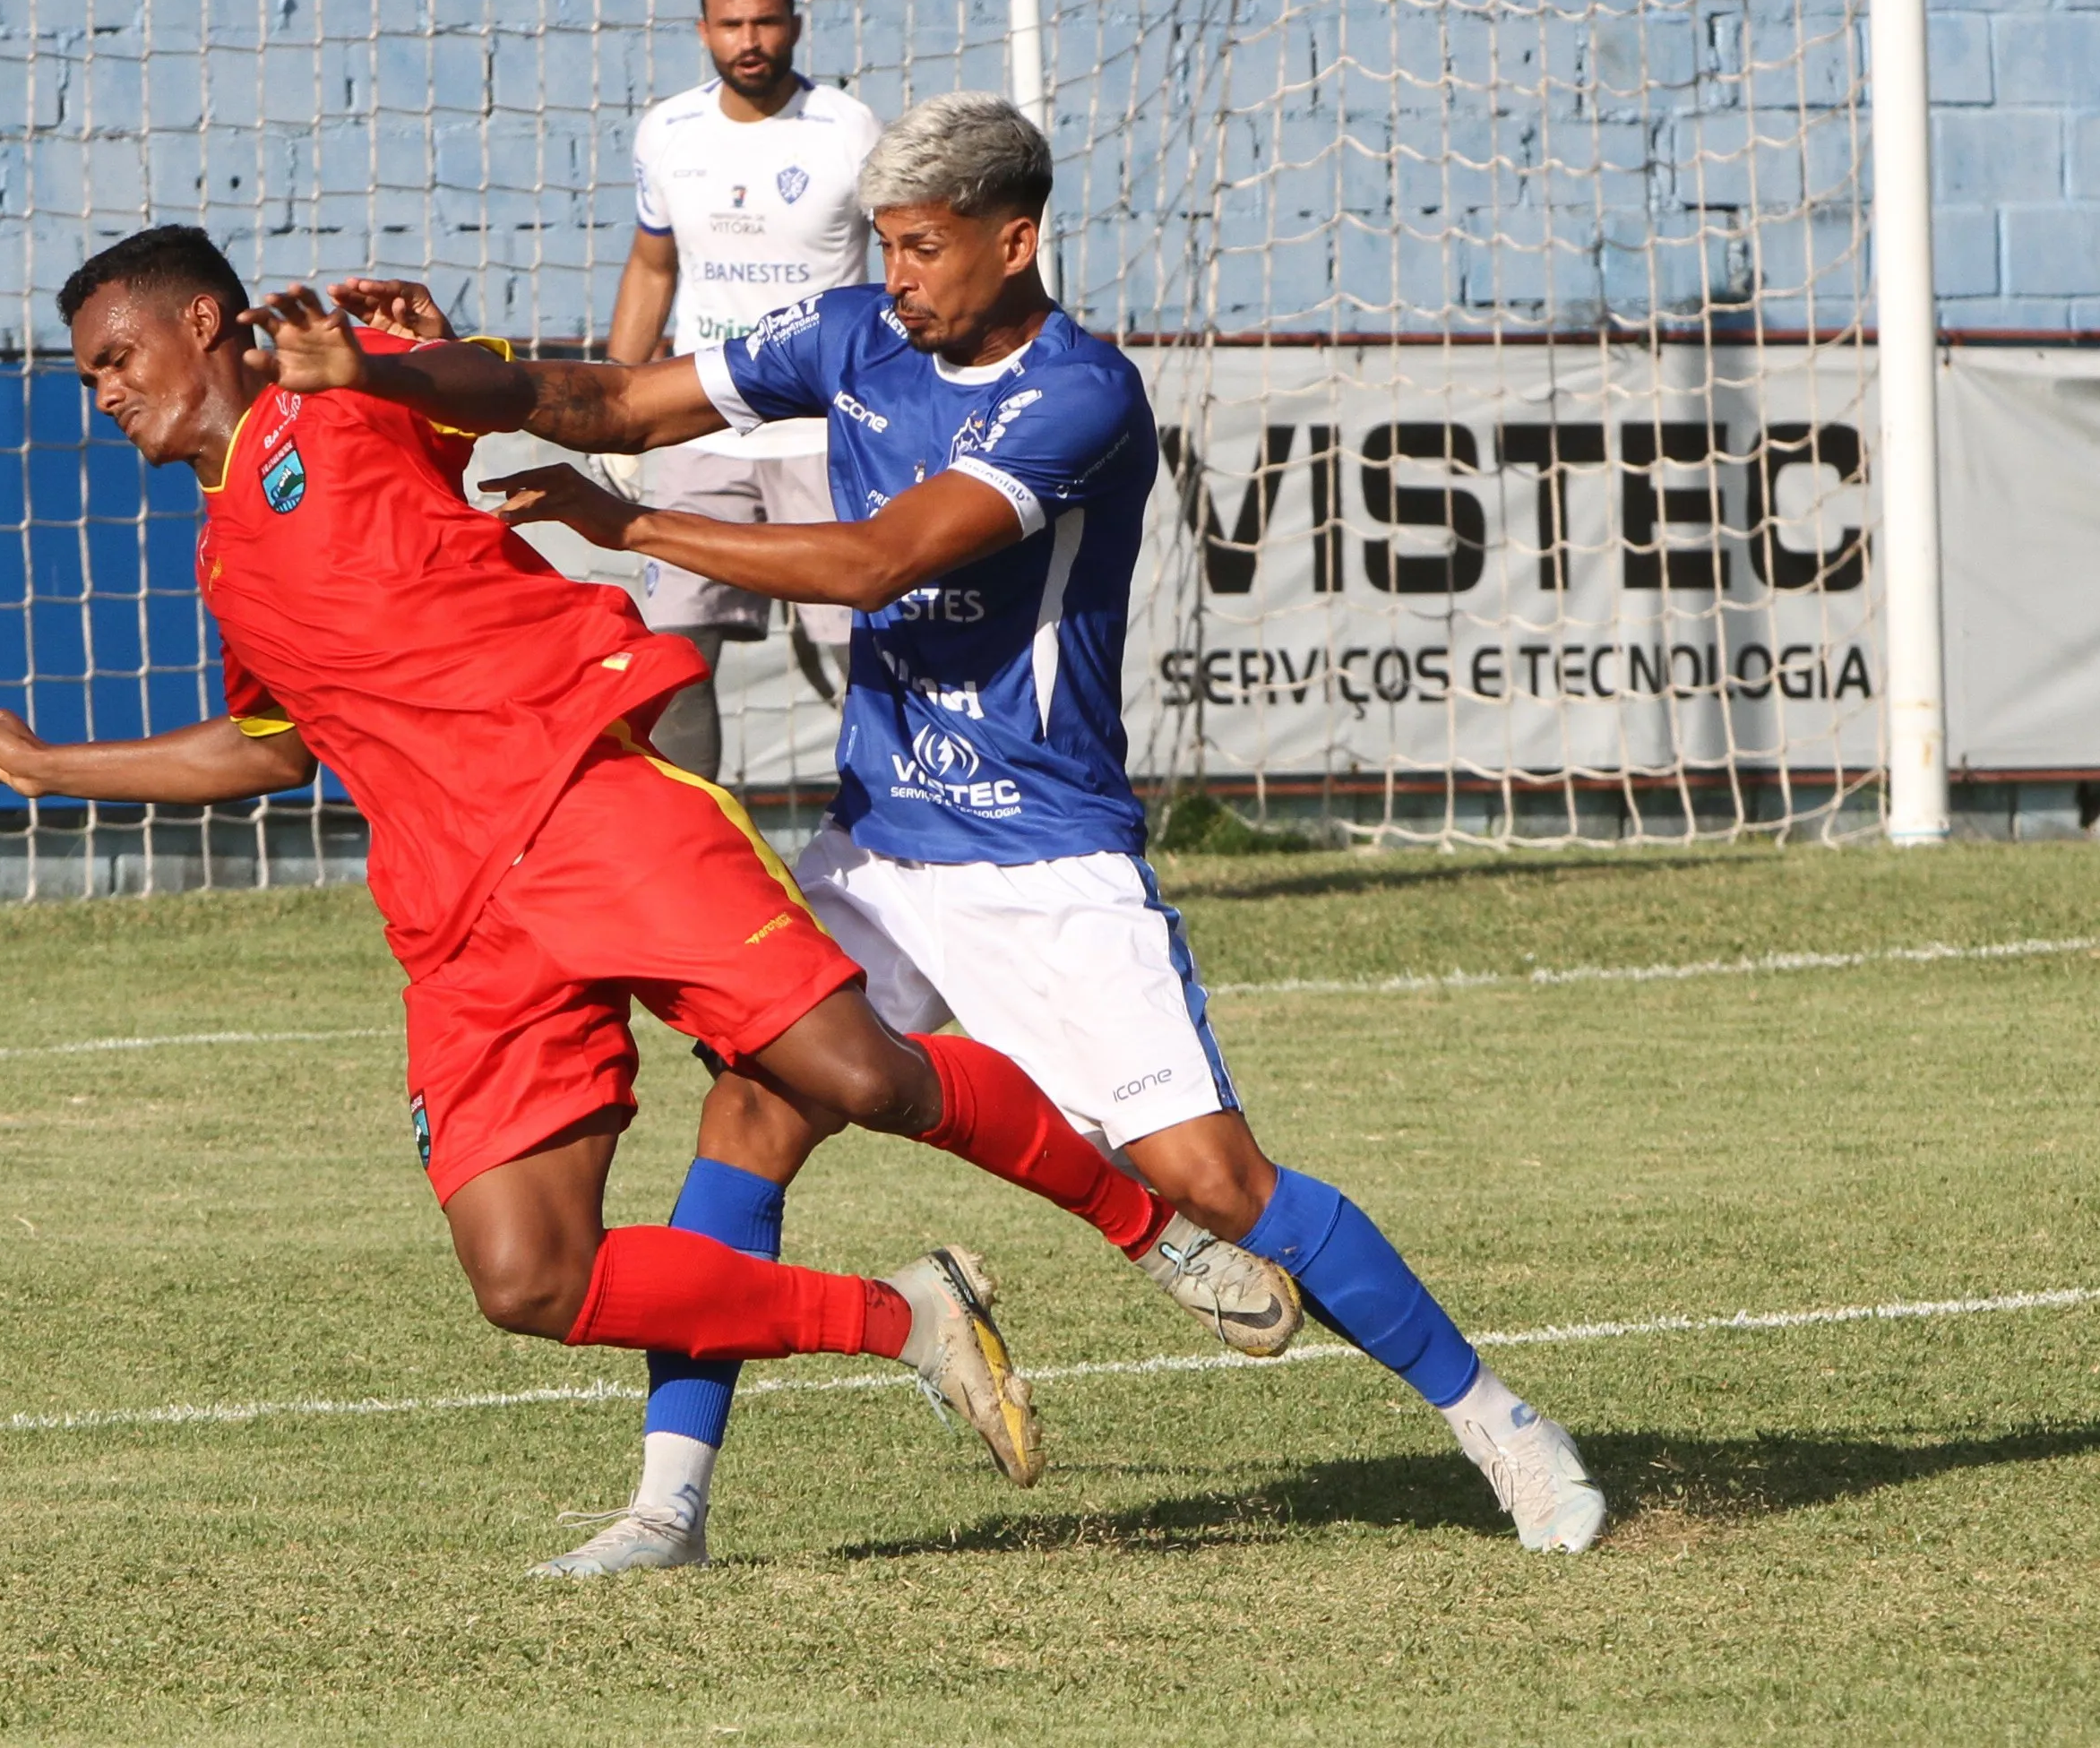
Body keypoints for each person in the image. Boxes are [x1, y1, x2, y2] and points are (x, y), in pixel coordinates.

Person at [246, 93, 1612, 1566]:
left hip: (1047, 859)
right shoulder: (852, 335)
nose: (894, 277)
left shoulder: (1077, 396)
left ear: (1011, 238)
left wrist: (629, 527)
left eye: (919, 248)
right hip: (881, 847)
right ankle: (666, 1504)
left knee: (1216, 1181)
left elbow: (871, 559)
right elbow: (615, 401)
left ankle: (1499, 1424)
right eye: (884, 246)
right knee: (751, 1113)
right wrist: (392, 369)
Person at [0, 223, 1297, 1571]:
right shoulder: (225, 557)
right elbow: (272, 745)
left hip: (591, 809)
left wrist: (399, 351)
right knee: (527, 1277)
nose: (106, 389)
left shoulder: (341, 402)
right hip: (460, 916)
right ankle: (905, 1318)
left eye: (115, 357)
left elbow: (493, 398)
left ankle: (1151, 1230)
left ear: (204, 324)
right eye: (87, 377)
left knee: (863, 1076)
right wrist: (52, 765)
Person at [609, 0, 883, 780]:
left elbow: (911, 261)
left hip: (824, 434)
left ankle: (914, 841)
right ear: (704, 32)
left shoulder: (849, 130)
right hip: (702, 426)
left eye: (766, 20)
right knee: (673, 659)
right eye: (731, 24)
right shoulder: (667, 133)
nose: (750, 40)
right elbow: (653, 268)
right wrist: (617, 414)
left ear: (794, 24)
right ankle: (695, 863)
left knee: (865, 658)